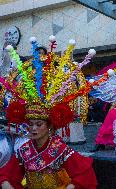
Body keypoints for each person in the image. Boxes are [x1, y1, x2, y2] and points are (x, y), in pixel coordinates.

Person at [0, 36, 97, 189]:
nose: (33, 128)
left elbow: (84, 174)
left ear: (49, 126)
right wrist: (7, 184)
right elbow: (6, 174)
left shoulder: (60, 149)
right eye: (31, 124)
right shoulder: (24, 151)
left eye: (38, 124)